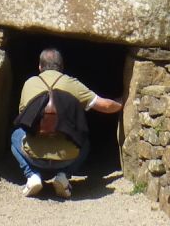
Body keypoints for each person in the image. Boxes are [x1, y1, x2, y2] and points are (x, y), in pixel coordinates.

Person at [10, 47, 123, 199]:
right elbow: (104, 106)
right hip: (67, 157)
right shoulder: (72, 84)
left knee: (15, 135)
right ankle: (64, 175)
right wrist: (121, 103)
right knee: (85, 142)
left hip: (34, 155)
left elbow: (23, 118)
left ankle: (32, 176)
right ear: (61, 67)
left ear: (39, 66)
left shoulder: (29, 84)